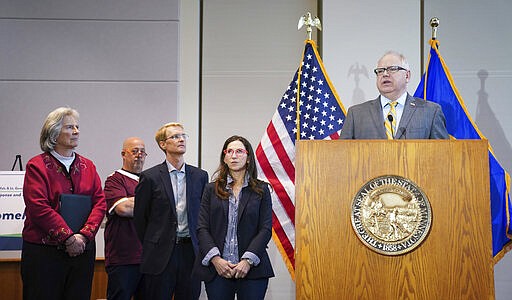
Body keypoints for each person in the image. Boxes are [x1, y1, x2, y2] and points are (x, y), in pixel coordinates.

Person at [21, 107, 106, 300]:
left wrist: (83, 237)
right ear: (53, 132)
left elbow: (99, 202)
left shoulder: (88, 166)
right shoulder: (37, 165)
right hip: (45, 253)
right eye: (69, 127)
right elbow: (38, 207)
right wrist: (68, 238)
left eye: (77, 127)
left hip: (82, 250)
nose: (76, 131)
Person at [193, 135, 275, 300]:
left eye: (239, 151)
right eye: (229, 151)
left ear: (248, 158)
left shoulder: (262, 189)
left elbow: (265, 229)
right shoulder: (211, 189)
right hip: (217, 270)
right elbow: (202, 227)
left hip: (252, 269)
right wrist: (216, 259)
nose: (234, 155)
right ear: (224, 158)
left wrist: (247, 260)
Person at [134, 122, 208, 300]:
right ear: (163, 144)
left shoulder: (200, 176)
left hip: (191, 252)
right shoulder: (149, 177)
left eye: (183, 136)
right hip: (160, 255)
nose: (181, 139)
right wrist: (156, 240)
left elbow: (205, 216)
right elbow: (140, 219)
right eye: (175, 136)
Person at [340, 51, 449, 139]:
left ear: (407, 76)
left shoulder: (430, 112)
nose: (385, 74)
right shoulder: (356, 114)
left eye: (392, 69)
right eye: (380, 71)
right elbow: (344, 156)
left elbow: (442, 156)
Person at [104, 137, 147, 300]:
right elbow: (123, 208)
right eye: (134, 151)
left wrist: (133, 200)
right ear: (123, 154)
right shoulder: (114, 180)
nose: (139, 155)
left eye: (142, 152)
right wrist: (152, 203)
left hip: (148, 259)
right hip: (123, 258)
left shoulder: (149, 180)